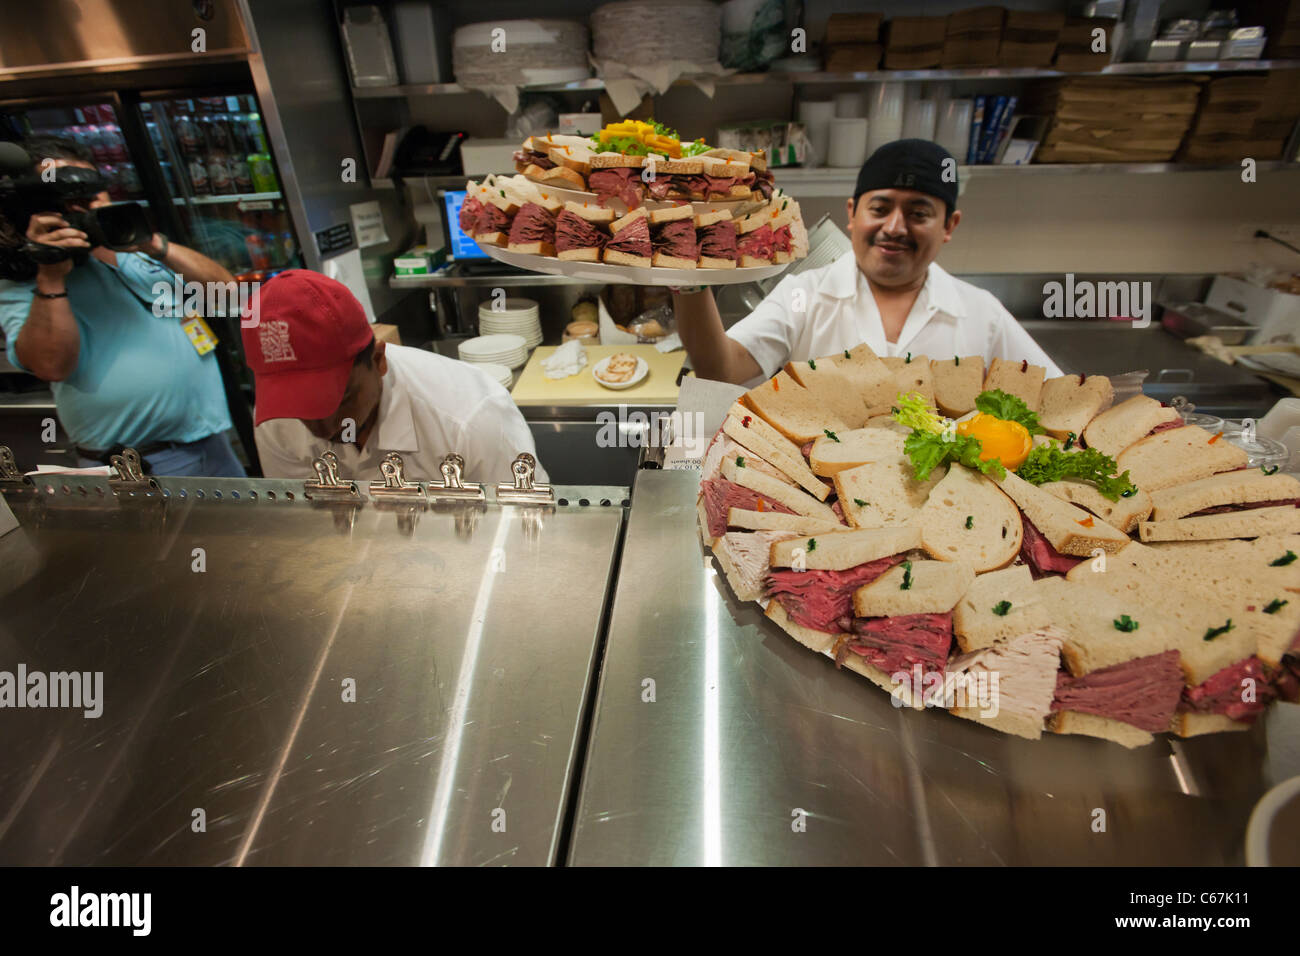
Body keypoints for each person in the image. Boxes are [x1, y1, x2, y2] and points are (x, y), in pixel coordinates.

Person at [673, 138, 1061, 385]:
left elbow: (1058, 400)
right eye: (880, 208)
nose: (894, 227)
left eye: (919, 213)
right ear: (852, 213)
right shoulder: (804, 296)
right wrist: (688, 274)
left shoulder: (981, 314)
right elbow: (720, 371)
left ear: (949, 225)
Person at [0, 135, 245, 476]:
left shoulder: (137, 254)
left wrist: (155, 244)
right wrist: (51, 277)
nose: (84, 205)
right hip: (139, 465)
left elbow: (229, 297)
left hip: (213, 444)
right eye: (69, 197)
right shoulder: (27, 276)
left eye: (92, 192)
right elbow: (51, 365)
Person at [246, 270, 548, 484]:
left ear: (378, 360)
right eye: (301, 410)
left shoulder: (471, 416)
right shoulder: (275, 419)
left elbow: (526, 526)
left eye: (340, 401)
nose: (322, 428)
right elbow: (306, 525)